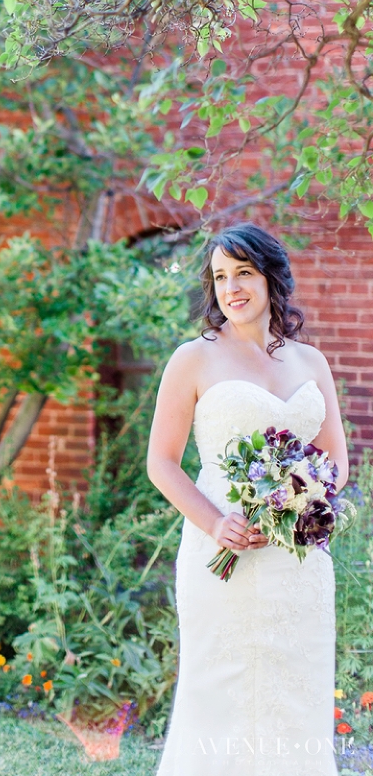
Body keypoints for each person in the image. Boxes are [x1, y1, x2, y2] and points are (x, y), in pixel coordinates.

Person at [147, 223, 348, 775]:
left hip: (298, 558)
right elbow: (161, 462)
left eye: (243, 273)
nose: (231, 287)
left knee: (295, 683)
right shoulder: (193, 358)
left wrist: (297, 504)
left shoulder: (311, 363)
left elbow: (335, 461)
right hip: (224, 550)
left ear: (271, 278)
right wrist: (215, 524)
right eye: (220, 276)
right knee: (221, 688)